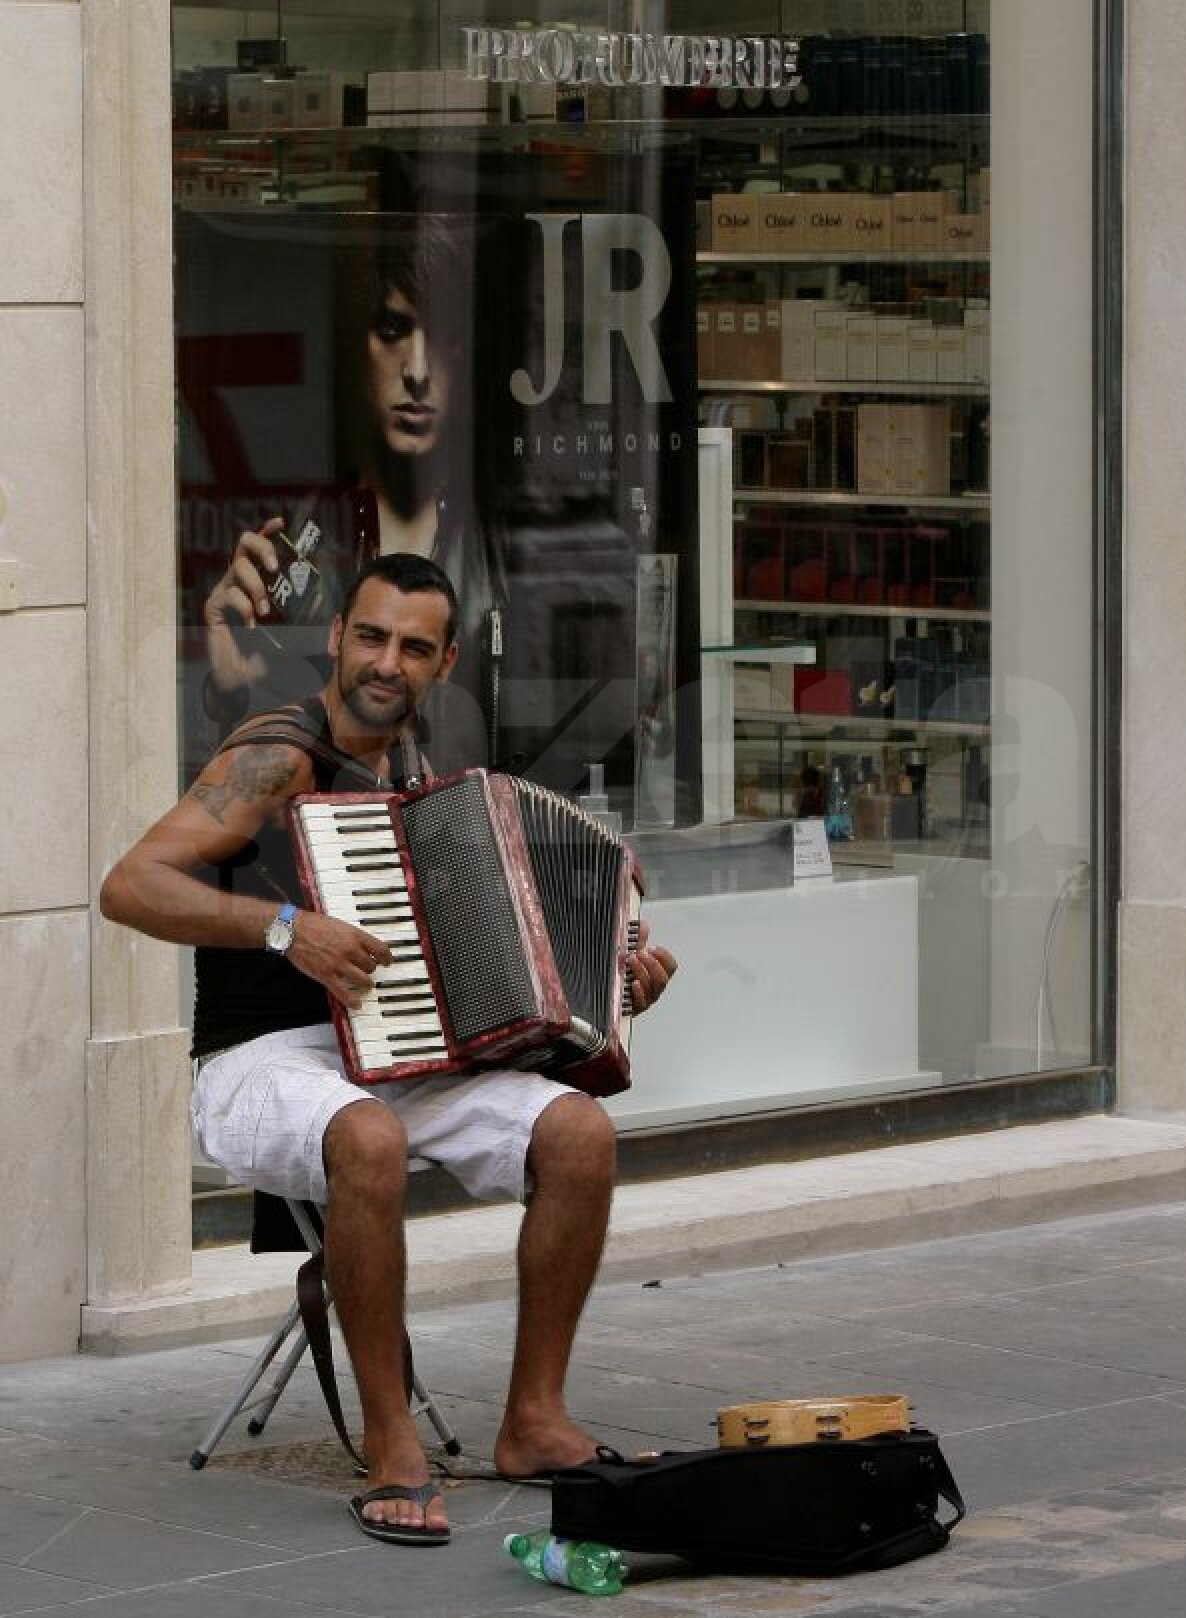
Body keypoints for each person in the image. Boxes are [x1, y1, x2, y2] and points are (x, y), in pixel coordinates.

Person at [100, 553, 677, 1548]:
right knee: (362, 1137)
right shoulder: (276, 753)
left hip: (387, 1052)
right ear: (336, 638)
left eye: (414, 646)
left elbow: (484, 977)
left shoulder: (427, 774)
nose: (386, 661)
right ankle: (390, 1443)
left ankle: (533, 1420)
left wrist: (609, 987)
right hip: (257, 1060)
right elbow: (131, 883)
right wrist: (286, 927)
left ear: (445, 659)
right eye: (370, 636)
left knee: (577, 1133)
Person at [200, 217, 505, 774]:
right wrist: (228, 687)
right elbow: (242, 784)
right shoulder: (296, 547)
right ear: (355, 347)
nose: (417, 370)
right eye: (392, 330)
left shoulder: (504, 545)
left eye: (442, 335)